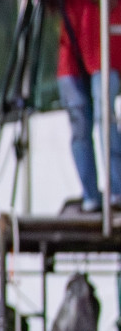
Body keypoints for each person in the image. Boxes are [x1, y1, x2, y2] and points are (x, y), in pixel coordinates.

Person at [54, 0, 121, 213]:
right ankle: (90, 195)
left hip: (104, 43)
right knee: (79, 125)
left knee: (104, 117)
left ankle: (117, 190)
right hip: (73, 45)